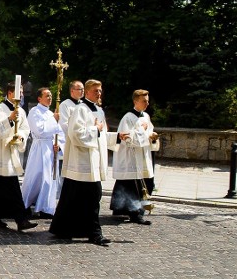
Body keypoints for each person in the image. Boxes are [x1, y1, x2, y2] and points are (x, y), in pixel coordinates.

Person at [49, 79, 116, 246]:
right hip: (81, 164)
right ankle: (94, 233)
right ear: (86, 91)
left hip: (93, 163)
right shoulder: (80, 110)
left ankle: (64, 229)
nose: (99, 93)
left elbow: (102, 136)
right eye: (95, 90)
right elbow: (76, 134)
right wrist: (96, 129)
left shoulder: (99, 111)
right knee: (90, 197)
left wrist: (119, 137)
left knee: (77, 198)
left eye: (100, 90)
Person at [0, 84, 37, 231]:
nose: (21, 95)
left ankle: (16, 219)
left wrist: (19, 137)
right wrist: (9, 119)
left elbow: (25, 130)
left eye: (22, 93)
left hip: (11, 154)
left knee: (11, 187)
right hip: (0, 155)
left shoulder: (21, 111)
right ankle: (0, 218)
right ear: (9, 93)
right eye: (18, 92)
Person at [110, 89, 159, 224]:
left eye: (147, 101)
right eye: (144, 101)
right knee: (134, 186)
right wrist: (143, 130)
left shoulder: (146, 116)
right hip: (131, 157)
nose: (147, 103)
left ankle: (136, 210)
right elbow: (128, 138)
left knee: (147, 183)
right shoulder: (128, 118)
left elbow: (148, 133)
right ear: (135, 101)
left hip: (144, 155)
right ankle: (135, 214)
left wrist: (152, 136)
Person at [21, 88, 63, 218]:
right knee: (36, 177)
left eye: (51, 95)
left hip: (50, 149)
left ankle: (45, 207)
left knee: (49, 179)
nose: (50, 98)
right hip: (40, 148)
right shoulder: (35, 112)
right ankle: (25, 204)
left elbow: (59, 133)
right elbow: (39, 131)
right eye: (47, 95)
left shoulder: (51, 113)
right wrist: (53, 120)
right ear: (39, 98)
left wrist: (59, 145)